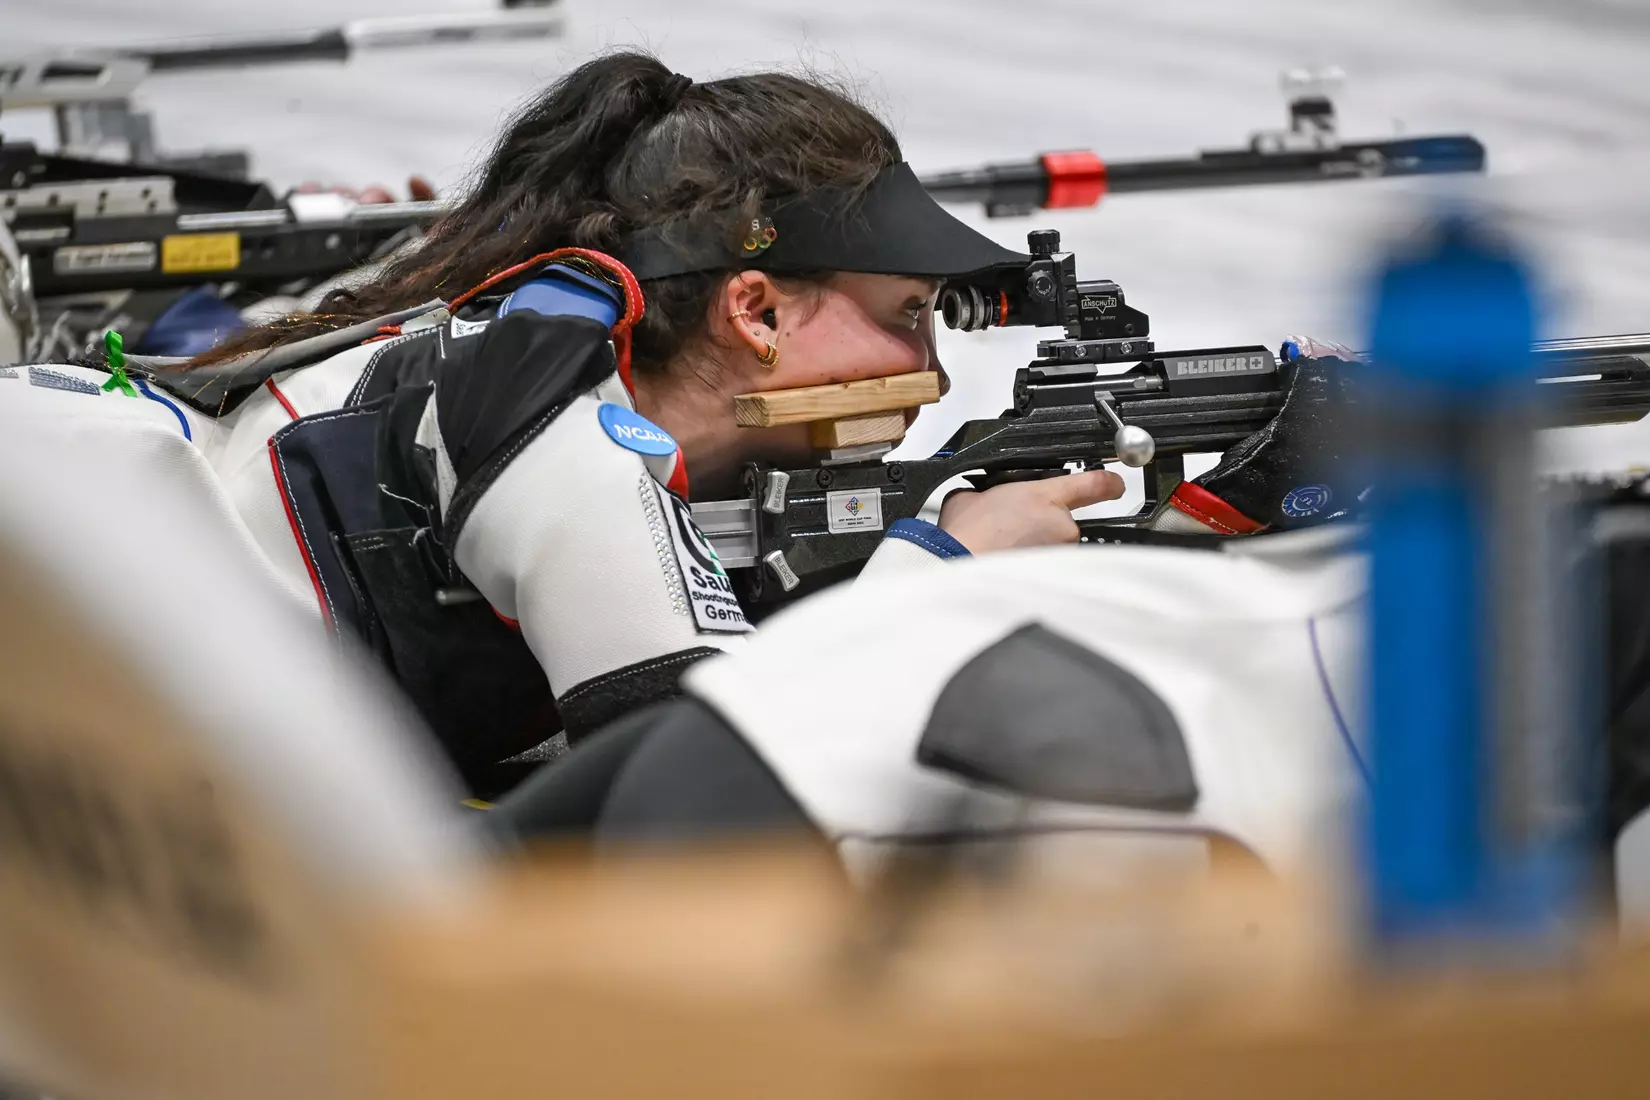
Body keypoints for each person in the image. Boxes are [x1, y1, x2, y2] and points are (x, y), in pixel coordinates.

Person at [0, 52, 1127, 793]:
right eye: (910, 313)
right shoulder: (568, 441)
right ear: (758, 308)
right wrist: (934, 569)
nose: (928, 362)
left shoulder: (523, 353)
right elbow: (702, 804)